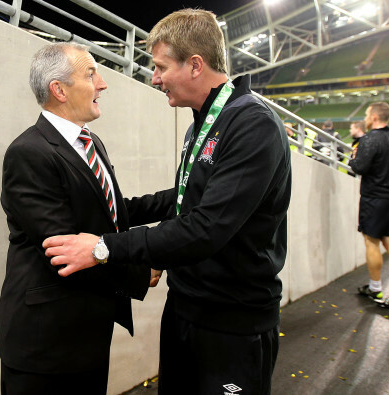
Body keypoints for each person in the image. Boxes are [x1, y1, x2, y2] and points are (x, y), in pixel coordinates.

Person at [43, 8, 292, 395]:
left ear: (195, 65)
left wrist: (103, 247)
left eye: (160, 67)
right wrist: (114, 212)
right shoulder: (204, 120)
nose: (154, 78)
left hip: (232, 320)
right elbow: (183, 199)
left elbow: (206, 227)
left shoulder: (252, 123)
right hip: (186, 306)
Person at [0, 42, 161, 394]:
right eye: (90, 74)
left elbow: (112, 212)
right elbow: (65, 248)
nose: (102, 83)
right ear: (59, 89)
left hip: (86, 334)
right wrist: (138, 268)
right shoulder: (29, 153)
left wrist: (180, 199)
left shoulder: (91, 143)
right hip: (47, 346)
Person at [349, 102, 389, 310]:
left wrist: (353, 159)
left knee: (372, 242)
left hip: (375, 198)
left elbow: (360, 167)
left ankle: (375, 288)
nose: (366, 118)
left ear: (374, 117)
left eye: (367, 114)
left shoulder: (369, 140)